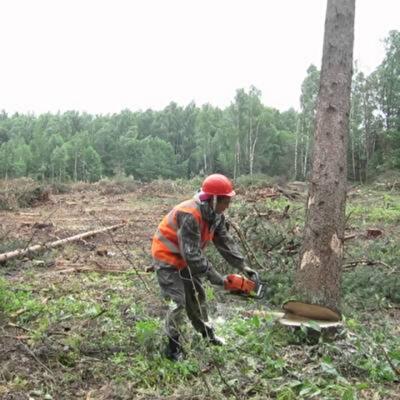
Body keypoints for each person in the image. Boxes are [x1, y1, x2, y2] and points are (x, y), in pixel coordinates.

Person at [151, 173, 256, 361]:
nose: (227, 206)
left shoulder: (216, 216)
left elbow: (225, 241)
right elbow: (192, 254)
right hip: (167, 257)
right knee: (179, 302)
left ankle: (208, 336)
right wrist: (217, 278)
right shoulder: (190, 214)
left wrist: (243, 266)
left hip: (187, 258)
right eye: (225, 201)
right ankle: (173, 349)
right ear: (213, 199)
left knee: (198, 297)